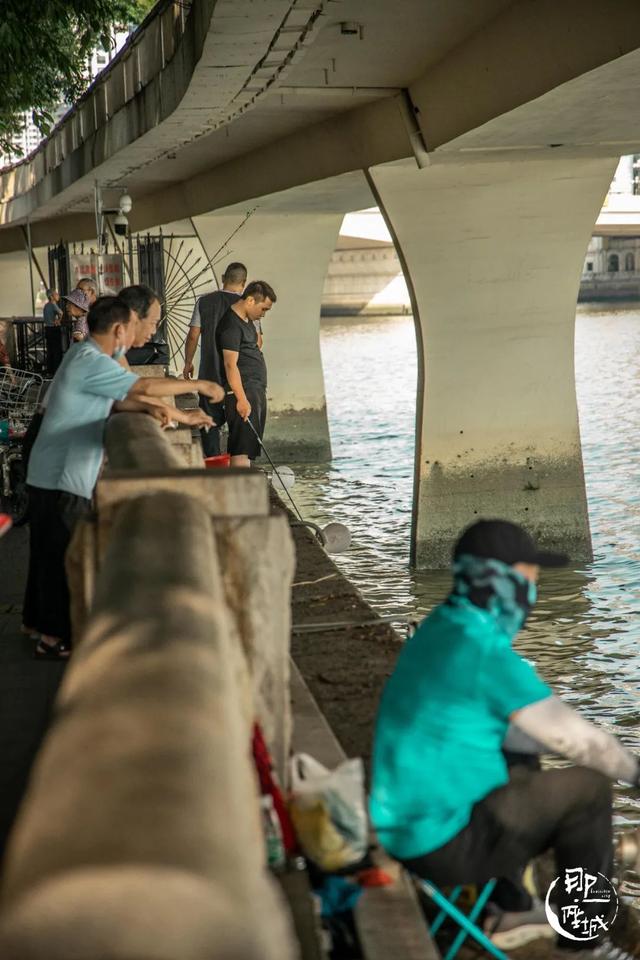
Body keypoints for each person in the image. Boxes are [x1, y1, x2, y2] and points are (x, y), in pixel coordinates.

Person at [370, 519, 640, 957]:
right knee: (588, 789)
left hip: (402, 826)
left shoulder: (443, 626)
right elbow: (585, 744)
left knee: (519, 755)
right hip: (439, 844)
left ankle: (510, 904)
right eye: (529, 576)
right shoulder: (482, 653)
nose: (534, 589)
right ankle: (585, 942)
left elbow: (529, 735)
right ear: (501, 580)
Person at [23, 295, 224, 660]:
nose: (138, 334)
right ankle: (54, 640)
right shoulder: (91, 360)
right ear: (119, 329)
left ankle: (36, 625)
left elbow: (120, 400)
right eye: (134, 327)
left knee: (48, 554)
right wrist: (200, 387)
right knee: (64, 556)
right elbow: (140, 388)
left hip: (49, 470)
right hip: (62, 475)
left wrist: (179, 416)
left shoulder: (88, 357)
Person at [182, 262, 248, 456]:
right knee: (239, 421)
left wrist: (188, 362)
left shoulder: (204, 301)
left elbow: (193, 334)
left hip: (209, 372)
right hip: (238, 375)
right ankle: (238, 462)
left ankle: (213, 462)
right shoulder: (247, 303)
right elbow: (257, 341)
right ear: (243, 283)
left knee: (209, 421)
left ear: (222, 278)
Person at [217, 280, 276, 468]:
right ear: (250, 300)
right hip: (243, 392)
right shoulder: (230, 326)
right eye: (264, 309)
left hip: (254, 389)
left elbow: (255, 345)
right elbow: (230, 365)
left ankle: (245, 489)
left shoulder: (247, 321)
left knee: (249, 447)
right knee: (241, 448)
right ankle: (239, 493)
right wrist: (241, 399)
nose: (264, 315)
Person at [119, 284, 165, 363]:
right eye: (153, 323)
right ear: (133, 316)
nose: (154, 331)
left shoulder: (118, 351)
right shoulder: (107, 353)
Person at [42, 288, 63, 375]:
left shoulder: (46, 305)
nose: (58, 295)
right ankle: (57, 371)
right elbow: (61, 312)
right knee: (57, 351)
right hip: (54, 329)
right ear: (51, 296)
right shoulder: (53, 304)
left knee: (50, 350)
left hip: (47, 329)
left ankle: (50, 370)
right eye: (56, 294)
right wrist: (59, 320)